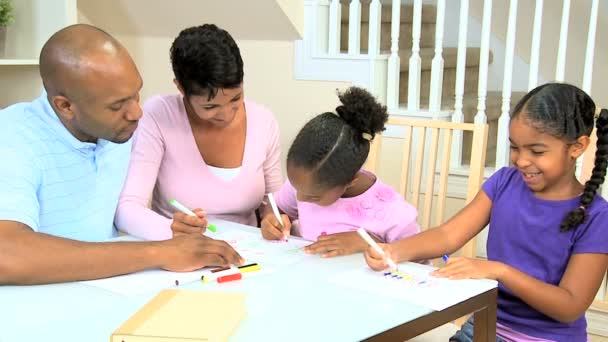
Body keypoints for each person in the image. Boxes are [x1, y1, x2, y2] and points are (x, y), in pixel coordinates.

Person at [0, 24, 242, 285]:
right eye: (117, 105)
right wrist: (159, 252)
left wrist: (171, 231)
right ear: (65, 106)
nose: (137, 113)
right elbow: (6, 254)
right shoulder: (13, 137)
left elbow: (122, 208)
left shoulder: (117, 129)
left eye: (136, 95)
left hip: (105, 290)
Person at [365, 83, 608, 341]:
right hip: (484, 325)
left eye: (537, 151)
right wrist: (395, 250)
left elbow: (569, 306)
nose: (521, 160)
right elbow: (449, 235)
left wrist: (498, 270)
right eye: (515, 147)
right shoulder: (504, 182)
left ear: (577, 147)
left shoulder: (597, 217)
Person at [114, 24, 282, 240]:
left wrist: (272, 219)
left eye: (235, 99)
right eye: (210, 107)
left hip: (249, 254)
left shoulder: (264, 121)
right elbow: (127, 208)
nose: (226, 114)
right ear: (181, 89)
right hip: (180, 250)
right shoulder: (159, 115)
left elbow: (275, 202)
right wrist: (171, 231)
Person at [261, 87, 420, 257]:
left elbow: (418, 263)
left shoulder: (393, 213)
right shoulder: (307, 184)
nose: (300, 198)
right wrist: (271, 218)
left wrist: (369, 243)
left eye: (314, 197)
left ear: (350, 181)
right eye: (296, 188)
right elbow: (278, 207)